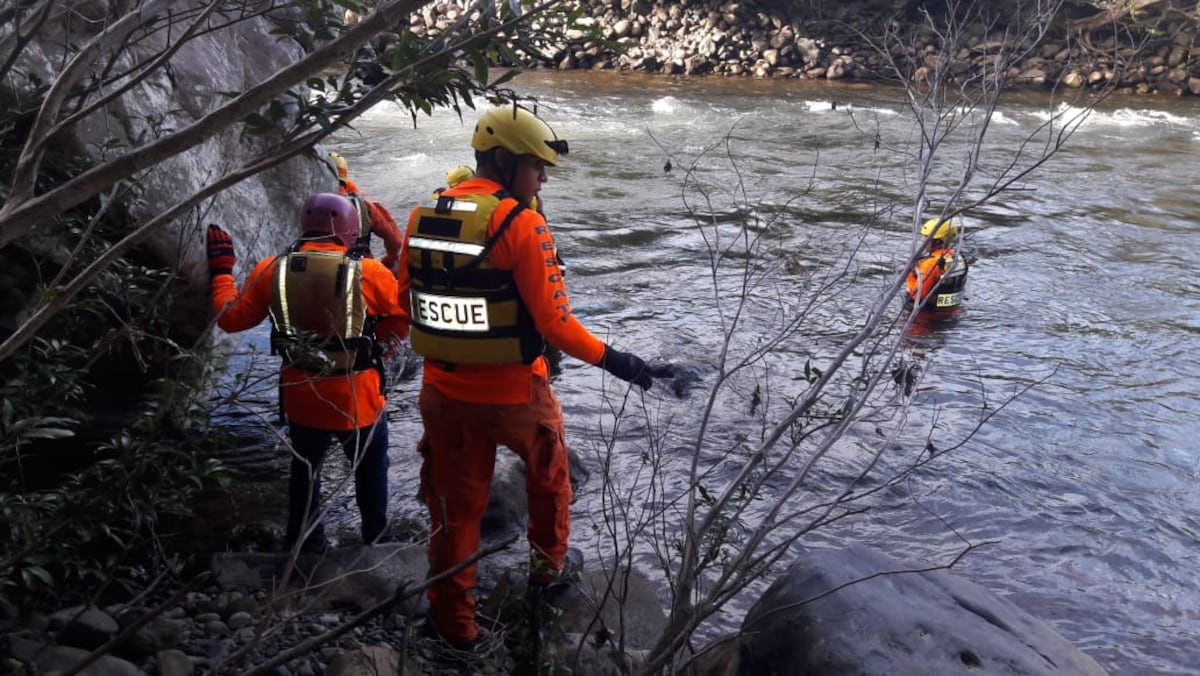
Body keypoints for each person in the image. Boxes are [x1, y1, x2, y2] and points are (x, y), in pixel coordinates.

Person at [396, 103, 655, 647]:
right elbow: (556, 324)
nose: (542, 179)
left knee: (454, 509)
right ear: (501, 160)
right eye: (537, 167)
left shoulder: (422, 218)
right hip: (515, 393)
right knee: (549, 481)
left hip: (441, 392)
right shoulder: (522, 222)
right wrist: (620, 362)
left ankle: (455, 624)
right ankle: (548, 571)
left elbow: (404, 301)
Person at [206, 193, 410, 554]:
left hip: (302, 393)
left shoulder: (272, 269)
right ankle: (377, 539)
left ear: (305, 227)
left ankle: (303, 542)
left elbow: (230, 318)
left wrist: (222, 271)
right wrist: (381, 342)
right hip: (356, 396)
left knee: (306, 470)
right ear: (348, 231)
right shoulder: (370, 272)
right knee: (371, 468)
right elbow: (402, 319)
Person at [329, 151, 405, 275]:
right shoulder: (364, 206)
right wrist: (390, 259)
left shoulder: (304, 202)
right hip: (360, 270)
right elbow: (394, 239)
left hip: (311, 270)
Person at [905, 216, 968, 312]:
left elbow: (916, 295)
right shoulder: (959, 258)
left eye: (926, 238)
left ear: (938, 240)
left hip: (925, 317)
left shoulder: (930, 264)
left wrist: (910, 273)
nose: (923, 240)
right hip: (953, 312)